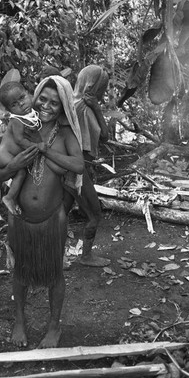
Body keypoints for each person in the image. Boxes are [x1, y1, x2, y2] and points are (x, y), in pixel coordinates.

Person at [0, 76, 84, 348]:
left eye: (55, 103)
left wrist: (45, 150)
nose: (46, 105)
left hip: (52, 218)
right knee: (20, 272)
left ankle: (54, 327)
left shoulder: (65, 134)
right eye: (42, 99)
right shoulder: (19, 126)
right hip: (20, 216)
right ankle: (20, 321)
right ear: (33, 96)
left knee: (55, 273)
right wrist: (13, 167)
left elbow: (79, 165)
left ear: (64, 106)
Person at [66, 64, 111, 267]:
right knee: (94, 214)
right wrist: (97, 108)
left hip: (69, 167)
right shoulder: (82, 106)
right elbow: (104, 136)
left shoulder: (73, 103)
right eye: (102, 87)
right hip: (76, 168)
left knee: (60, 213)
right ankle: (86, 256)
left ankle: (56, 255)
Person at [0, 81, 46, 215]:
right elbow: (19, 140)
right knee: (20, 172)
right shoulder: (17, 120)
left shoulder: (31, 115)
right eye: (14, 104)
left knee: (21, 172)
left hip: (9, 154)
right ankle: (9, 197)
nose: (21, 104)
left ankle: (11, 198)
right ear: (9, 110)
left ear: (28, 93)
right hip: (4, 155)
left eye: (22, 98)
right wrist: (37, 146)